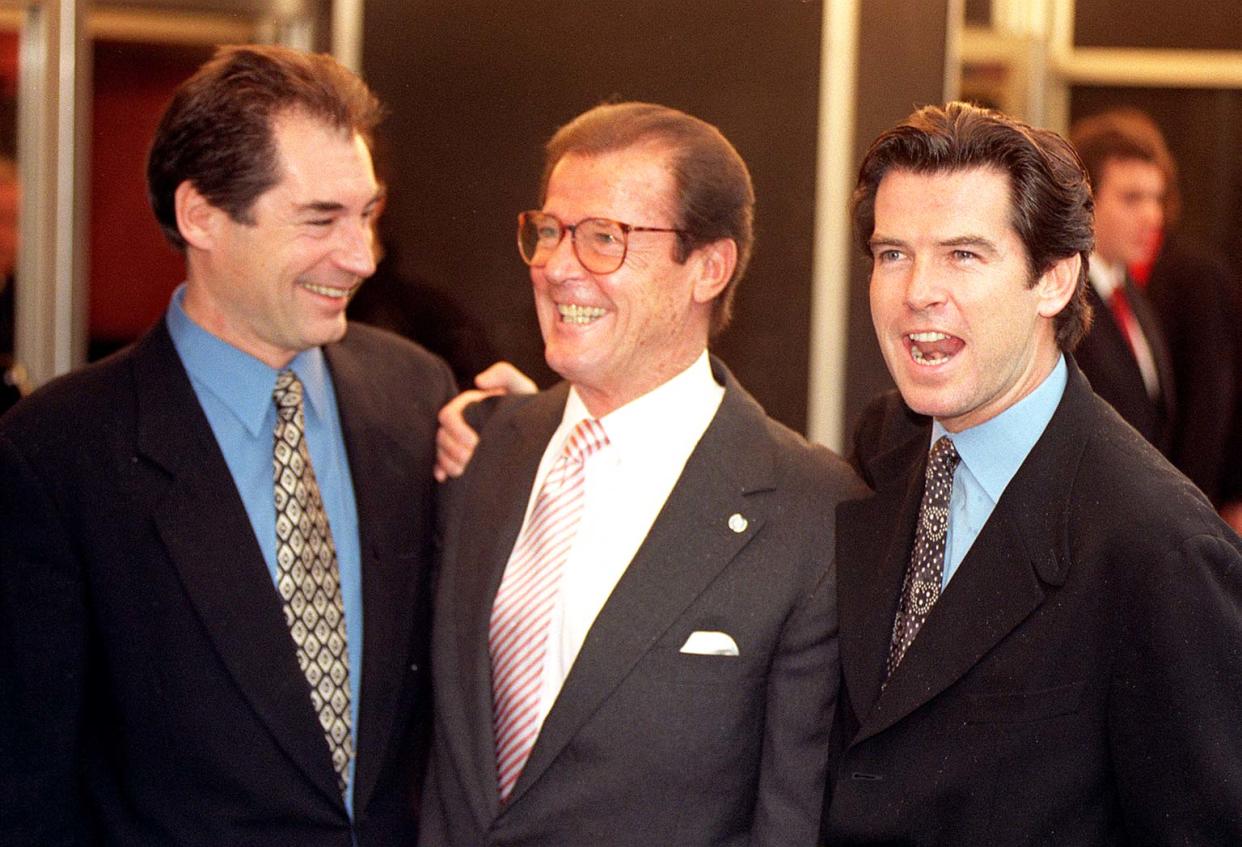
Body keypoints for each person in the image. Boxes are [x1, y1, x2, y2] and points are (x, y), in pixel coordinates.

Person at [0, 45, 456, 845]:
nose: (361, 256)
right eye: (321, 219)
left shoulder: (416, 394)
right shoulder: (58, 453)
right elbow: (28, 781)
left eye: (368, 214)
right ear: (200, 215)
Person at [419, 102, 863, 847]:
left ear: (709, 267)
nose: (558, 267)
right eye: (550, 231)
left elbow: (791, 822)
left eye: (604, 238)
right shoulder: (489, 445)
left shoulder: (811, 514)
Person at [823, 101, 1242, 844]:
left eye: (963, 254)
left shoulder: (1159, 545)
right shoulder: (884, 444)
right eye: (893, 253)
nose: (917, 289)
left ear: (1053, 279)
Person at [1068, 109, 1177, 455]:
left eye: (1156, 198)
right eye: (1132, 198)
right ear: (1084, 202)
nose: (1153, 216)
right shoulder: (1060, 300)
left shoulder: (1129, 294)